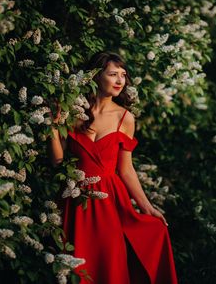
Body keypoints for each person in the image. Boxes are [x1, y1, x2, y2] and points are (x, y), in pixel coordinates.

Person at [49, 52, 178, 284]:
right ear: (97, 77)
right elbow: (58, 161)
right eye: (113, 74)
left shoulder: (125, 118)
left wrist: (146, 207)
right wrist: (53, 127)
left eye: (123, 75)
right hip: (75, 198)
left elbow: (126, 170)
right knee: (74, 265)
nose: (120, 80)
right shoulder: (75, 112)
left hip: (110, 201)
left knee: (109, 262)